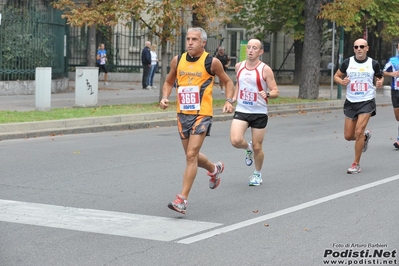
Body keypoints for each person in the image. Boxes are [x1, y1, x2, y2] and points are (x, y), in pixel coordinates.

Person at [159, 27, 235, 214]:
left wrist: (228, 100)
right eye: (188, 39)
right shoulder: (178, 60)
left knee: (191, 155)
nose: (190, 42)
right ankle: (214, 168)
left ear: (203, 43)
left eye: (194, 39)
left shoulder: (212, 62)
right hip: (182, 113)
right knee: (190, 155)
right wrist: (164, 97)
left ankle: (182, 199)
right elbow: (169, 81)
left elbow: (228, 82)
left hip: (202, 114)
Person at [229, 39, 279, 186]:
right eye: (249, 47)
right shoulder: (239, 66)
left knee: (258, 146)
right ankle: (247, 148)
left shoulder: (265, 69)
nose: (250, 50)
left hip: (259, 112)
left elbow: (276, 90)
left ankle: (257, 173)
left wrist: (268, 94)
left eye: (255, 48)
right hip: (242, 109)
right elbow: (239, 84)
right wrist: (231, 99)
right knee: (235, 140)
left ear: (260, 52)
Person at [333, 38, 384, 174]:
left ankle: (356, 164)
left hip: (367, 100)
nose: (359, 49)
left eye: (362, 46)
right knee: (349, 136)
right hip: (351, 101)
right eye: (356, 47)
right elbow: (336, 76)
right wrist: (341, 81)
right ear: (354, 49)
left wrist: (379, 82)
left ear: (367, 48)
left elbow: (380, 76)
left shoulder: (373, 63)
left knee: (358, 131)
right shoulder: (347, 62)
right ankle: (364, 137)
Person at [382, 42, 399, 149]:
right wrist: (392, 74)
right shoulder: (392, 60)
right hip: (395, 91)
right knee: (398, 117)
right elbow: (383, 71)